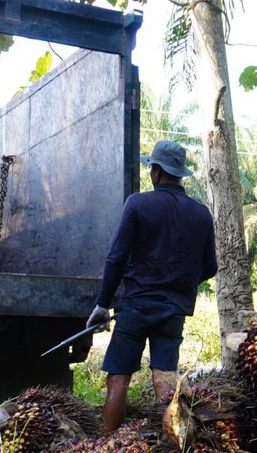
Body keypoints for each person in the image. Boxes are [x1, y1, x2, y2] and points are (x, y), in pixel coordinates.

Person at [89, 140, 218, 433]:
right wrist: (178, 284)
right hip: (173, 310)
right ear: (180, 174)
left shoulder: (138, 203)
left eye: (152, 169)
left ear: (156, 172)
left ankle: (106, 446)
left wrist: (102, 304)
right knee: (166, 379)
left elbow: (116, 258)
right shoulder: (201, 214)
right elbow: (210, 267)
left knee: (118, 378)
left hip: (136, 306)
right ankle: (169, 444)